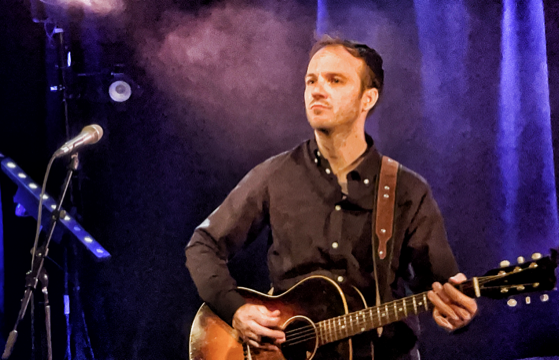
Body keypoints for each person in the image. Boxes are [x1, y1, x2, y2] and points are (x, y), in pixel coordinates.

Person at [185, 36, 477, 360]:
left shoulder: (407, 190)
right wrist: (235, 310)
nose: (317, 90)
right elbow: (203, 245)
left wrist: (457, 311)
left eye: (335, 80)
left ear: (368, 98)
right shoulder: (275, 175)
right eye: (311, 81)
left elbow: (444, 286)